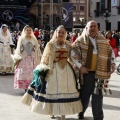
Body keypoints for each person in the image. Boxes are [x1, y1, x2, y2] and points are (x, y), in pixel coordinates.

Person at [21, 25, 83, 120]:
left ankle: (63, 113)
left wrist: (76, 60)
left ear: (65, 34)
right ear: (56, 33)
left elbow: (72, 57)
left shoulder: (68, 45)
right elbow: (45, 58)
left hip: (66, 70)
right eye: (59, 32)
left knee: (65, 90)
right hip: (53, 69)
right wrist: (43, 70)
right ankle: (51, 111)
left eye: (63, 32)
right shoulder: (50, 44)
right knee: (52, 90)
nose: (61, 34)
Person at [71, 20, 116, 120]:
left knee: (98, 96)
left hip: (100, 72)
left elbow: (110, 51)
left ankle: (98, 117)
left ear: (98, 29)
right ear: (86, 28)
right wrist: (80, 66)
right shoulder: (80, 40)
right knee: (84, 95)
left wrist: (112, 63)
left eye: (95, 26)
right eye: (91, 26)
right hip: (87, 73)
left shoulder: (103, 40)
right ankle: (81, 112)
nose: (93, 28)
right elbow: (73, 53)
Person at [12, 25, 41, 91]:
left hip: (32, 58)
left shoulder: (34, 39)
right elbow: (18, 48)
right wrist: (17, 58)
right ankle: (25, 87)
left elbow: (37, 48)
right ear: (24, 31)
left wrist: (37, 56)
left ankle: (32, 86)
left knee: (32, 72)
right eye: (27, 30)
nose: (28, 31)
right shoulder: (22, 39)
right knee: (24, 72)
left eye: (30, 30)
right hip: (24, 58)